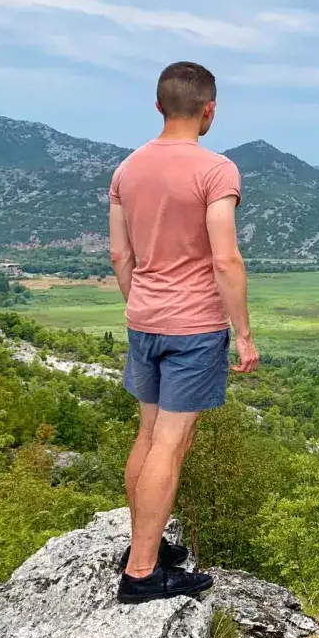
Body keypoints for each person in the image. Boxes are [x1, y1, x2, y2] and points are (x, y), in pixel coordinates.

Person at [108, 61, 259, 604]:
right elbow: (226, 258)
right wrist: (242, 333)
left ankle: (142, 546)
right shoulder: (216, 170)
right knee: (170, 445)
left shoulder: (126, 170)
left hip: (143, 322)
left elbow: (119, 253)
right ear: (209, 109)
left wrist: (141, 304)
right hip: (194, 328)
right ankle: (143, 574)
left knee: (149, 437)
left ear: (158, 106)